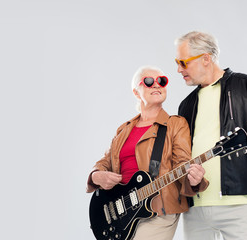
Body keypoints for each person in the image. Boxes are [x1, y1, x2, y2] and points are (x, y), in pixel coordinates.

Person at [175, 31, 247, 240]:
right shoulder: (186, 104)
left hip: (237, 205)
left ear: (205, 58)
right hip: (195, 207)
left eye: (183, 62)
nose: (179, 69)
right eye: (177, 62)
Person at [86, 65, 208, 240]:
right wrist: (95, 175)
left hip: (157, 208)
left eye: (162, 81)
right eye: (149, 82)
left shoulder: (175, 124)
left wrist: (193, 179)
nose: (157, 85)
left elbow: (183, 162)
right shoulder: (124, 129)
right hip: (119, 210)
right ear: (136, 92)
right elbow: (106, 161)